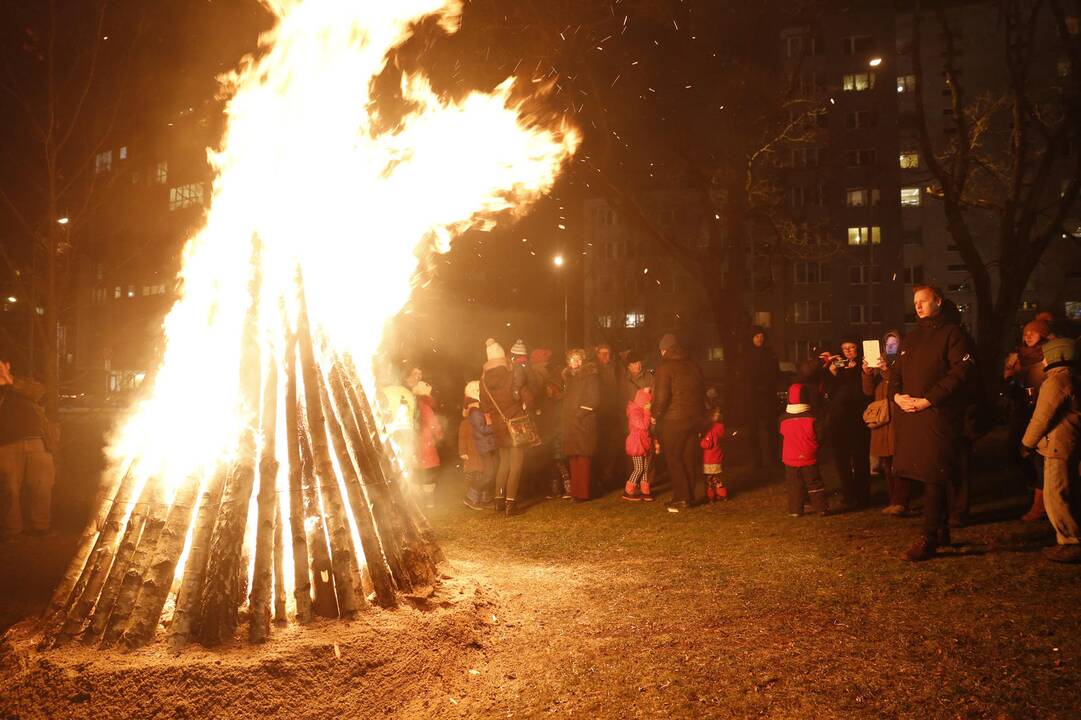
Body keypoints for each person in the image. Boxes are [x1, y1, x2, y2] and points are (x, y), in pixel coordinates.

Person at [890, 286, 975, 561]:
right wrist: (896, 395)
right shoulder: (912, 338)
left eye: (923, 300)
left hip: (937, 415)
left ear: (938, 301)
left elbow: (960, 372)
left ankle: (928, 537)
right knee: (923, 471)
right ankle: (941, 533)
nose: (918, 306)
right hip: (912, 414)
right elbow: (896, 374)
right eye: (915, 302)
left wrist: (930, 400)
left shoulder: (952, 334)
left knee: (934, 474)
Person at [1021, 338, 1081, 563]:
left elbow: (1042, 417)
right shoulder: (1071, 378)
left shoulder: (1057, 382)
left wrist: (1026, 443)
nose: (1043, 359)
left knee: (1056, 495)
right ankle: (1067, 538)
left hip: (1058, 445)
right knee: (1066, 492)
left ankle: (1070, 542)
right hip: (1068, 443)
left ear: (1057, 356)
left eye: (1046, 355)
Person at [0, 353, 56, 540]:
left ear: (7, 365)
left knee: (42, 485)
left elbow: (39, 392)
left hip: (37, 441)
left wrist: (10, 381)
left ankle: (41, 527)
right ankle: (12, 530)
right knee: (9, 489)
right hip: (6, 444)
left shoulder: (23, 383)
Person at [1004, 319, 1052, 521]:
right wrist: (1009, 376)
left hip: (1043, 409)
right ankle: (1034, 490)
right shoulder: (1017, 357)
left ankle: (1039, 505)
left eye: (1034, 332)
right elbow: (1007, 384)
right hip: (1022, 410)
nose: (1028, 336)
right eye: (1026, 333)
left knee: (1038, 456)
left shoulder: (1049, 354)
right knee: (1016, 451)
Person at [652, 333, 705, 511]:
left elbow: (661, 397)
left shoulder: (665, 368)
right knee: (689, 457)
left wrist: (655, 414)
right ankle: (690, 496)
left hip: (674, 420)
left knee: (674, 458)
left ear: (664, 350)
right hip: (695, 418)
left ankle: (681, 497)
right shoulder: (693, 365)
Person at [862, 331, 907, 515]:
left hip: (897, 418)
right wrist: (866, 373)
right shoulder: (882, 367)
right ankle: (893, 500)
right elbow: (868, 391)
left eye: (894, 344)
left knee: (899, 461)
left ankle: (901, 501)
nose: (890, 348)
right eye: (888, 345)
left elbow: (897, 385)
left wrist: (885, 370)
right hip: (883, 420)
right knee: (886, 463)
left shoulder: (903, 363)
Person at [480, 338, 527, 516]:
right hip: (515, 421)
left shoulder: (483, 380)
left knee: (504, 463)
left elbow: (484, 406)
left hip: (498, 425)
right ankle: (511, 503)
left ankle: (499, 500)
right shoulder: (511, 374)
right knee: (516, 463)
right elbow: (521, 396)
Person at [826, 338, 872, 510]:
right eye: (845, 348)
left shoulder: (864, 366)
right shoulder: (836, 368)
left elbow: (866, 392)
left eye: (852, 347)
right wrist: (832, 371)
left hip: (857, 419)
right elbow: (829, 392)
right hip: (838, 421)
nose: (848, 351)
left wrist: (855, 372)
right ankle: (849, 495)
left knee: (860, 459)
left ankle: (863, 496)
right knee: (841, 461)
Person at [779, 382, 828, 516]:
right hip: (809, 455)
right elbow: (820, 436)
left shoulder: (783, 419)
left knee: (794, 484)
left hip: (789, 457)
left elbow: (782, 434)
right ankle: (821, 508)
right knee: (814, 483)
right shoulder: (813, 418)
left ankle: (795, 510)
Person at [561, 348, 599, 501]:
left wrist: (580, 413)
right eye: (572, 359)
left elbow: (594, 399)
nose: (575, 362)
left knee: (583, 457)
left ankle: (583, 493)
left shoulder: (591, 377)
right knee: (573, 457)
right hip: (570, 423)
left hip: (583, 422)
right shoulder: (569, 379)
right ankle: (575, 491)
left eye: (578, 359)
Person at [744, 327, 781, 471]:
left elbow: (775, 373)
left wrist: (769, 386)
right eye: (756, 336)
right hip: (753, 399)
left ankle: (774, 459)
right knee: (753, 431)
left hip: (768, 397)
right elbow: (744, 377)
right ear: (751, 338)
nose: (760, 339)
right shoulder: (746, 355)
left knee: (771, 429)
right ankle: (757, 461)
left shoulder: (769, 353)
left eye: (761, 336)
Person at [460, 381, 495, 511]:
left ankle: (485, 499)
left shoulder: (478, 408)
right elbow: (482, 429)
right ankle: (470, 497)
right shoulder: (475, 410)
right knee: (488, 474)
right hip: (484, 446)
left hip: (487, 445)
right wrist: (495, 426)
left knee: (489, 472)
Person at [593, 343, 621, 490]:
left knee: (613, 447)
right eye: (601, 353)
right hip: (600, 414)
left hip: (615, 413)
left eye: (607, 353)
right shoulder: (594, 370)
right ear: (597, 355)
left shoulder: (617, 369)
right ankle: (602, 478)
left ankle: (609, 476)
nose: (605, 356)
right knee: (601, 447)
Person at [412, 381, 443, 509]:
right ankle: (428, 501)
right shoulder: (424, 405)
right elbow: (432, 422)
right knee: (429, 471)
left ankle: (419, 501)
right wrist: (439, 433)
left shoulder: (415, 404)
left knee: (420, 470)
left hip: (416, 441)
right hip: (426, 441)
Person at [623, 387, 653, 501]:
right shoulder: (635, 412)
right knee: (639, 468)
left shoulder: (640, 410)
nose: (649, 404)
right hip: (636, 442)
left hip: (643, 441)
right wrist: (647, 412)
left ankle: (645, 491)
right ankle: (628, 491)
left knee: (645, 468)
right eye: (648, 402)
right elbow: (643, 426)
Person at [700, 407, 727, 502]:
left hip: (709, 459)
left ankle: (711, 496)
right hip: (718, 457)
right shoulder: (721, 428)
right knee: (717, 479)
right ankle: (722, 494)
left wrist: (700, 440)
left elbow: (707, 444)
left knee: (709, 480)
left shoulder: (710, 430)